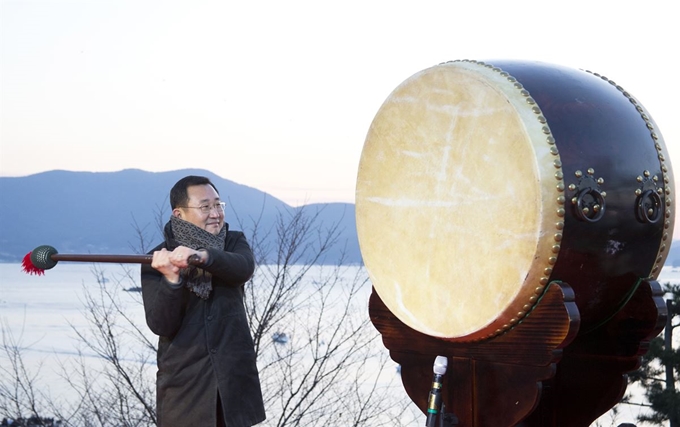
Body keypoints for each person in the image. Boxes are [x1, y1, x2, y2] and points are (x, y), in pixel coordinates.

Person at [141, 175, 266, 427]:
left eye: (218, 205)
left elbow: (243, 268)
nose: (215, 213)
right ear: (179, 214)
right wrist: (171, 279)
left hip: (234, 385)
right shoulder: (157, 259)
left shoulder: (232, 242)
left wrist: (203, 256)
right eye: (205, 206)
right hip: (186, 388)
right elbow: (161, 325)